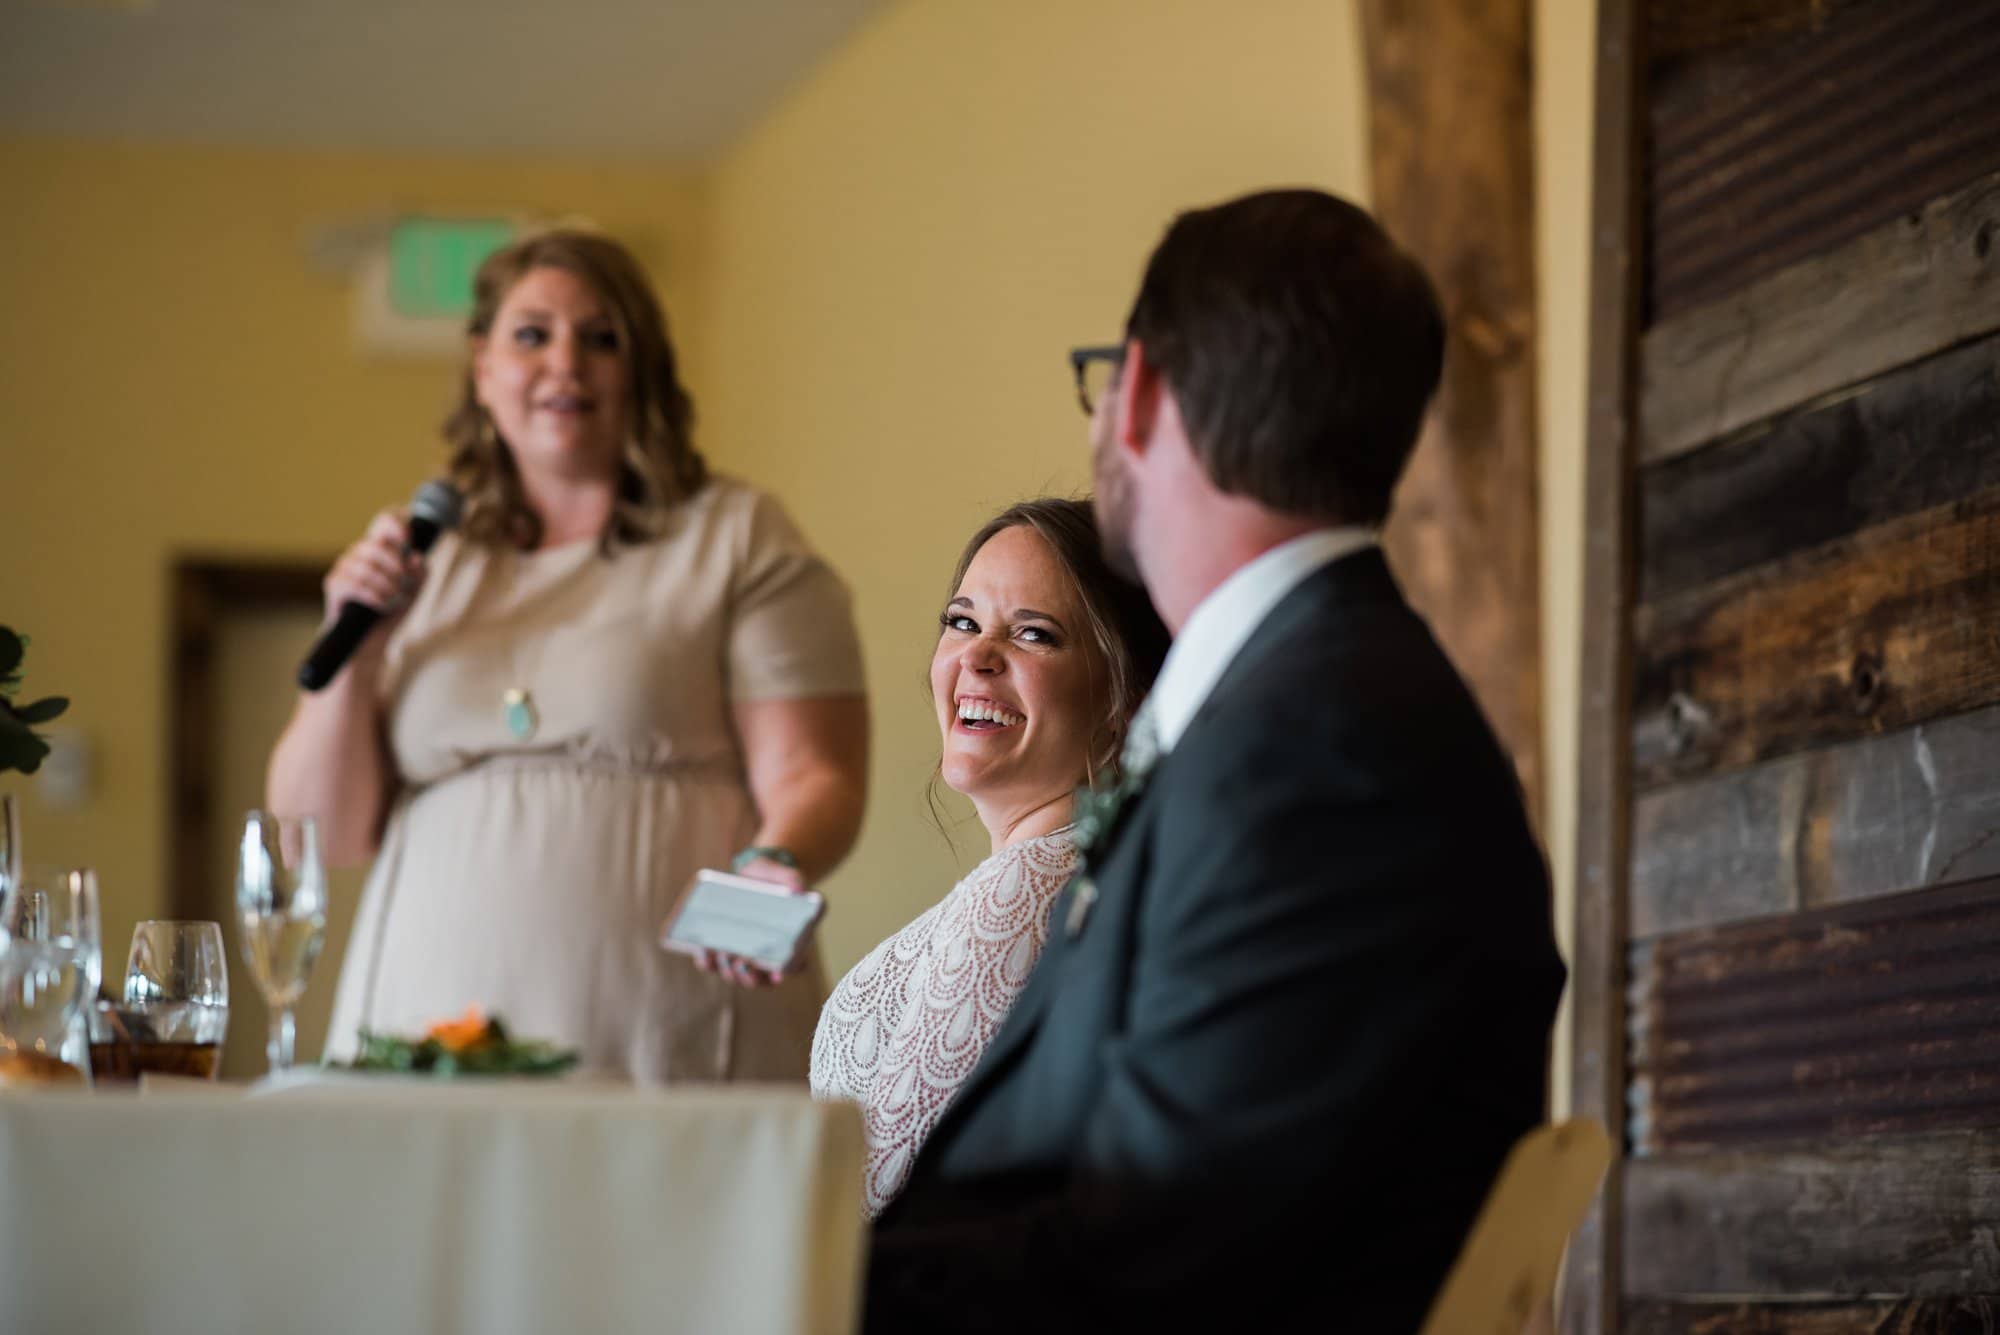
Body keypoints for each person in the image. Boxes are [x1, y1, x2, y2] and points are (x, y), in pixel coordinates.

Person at [862, 190, 1567, 1332]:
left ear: (1134, 395)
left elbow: (1157, 1244)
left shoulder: (1320, 755)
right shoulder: (1296, 709)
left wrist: (776, 1294)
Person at [267, 229, 869, 1083]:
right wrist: (358, 645)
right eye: (531, 334)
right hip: (424, 1024)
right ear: (482, 366)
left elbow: (817, 773)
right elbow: (317, 837)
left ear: (644, 367)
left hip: (671, 1031)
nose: (566, 362)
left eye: (601, 337)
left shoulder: (737, 536)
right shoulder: (422, 557)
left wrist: (775, 868)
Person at [808, 498, 1168, 1218]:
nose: (976, 654)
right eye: (962, 621)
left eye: (1033, 634)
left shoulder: (1025, 890)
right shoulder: (1084, 873)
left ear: (1123, 697)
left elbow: (878, 1198)